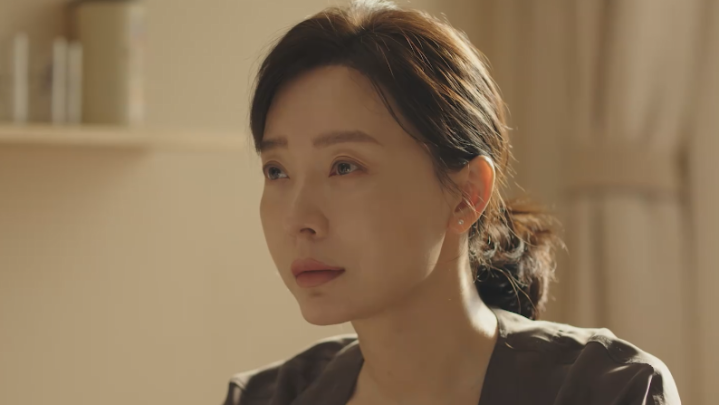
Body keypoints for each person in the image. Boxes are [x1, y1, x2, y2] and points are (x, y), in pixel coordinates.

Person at [222, 1, 681, 404]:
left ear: (467, 194)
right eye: (276, 171)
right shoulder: (266, 397)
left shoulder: (608, 391)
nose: (299, 219)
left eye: (344, 167)